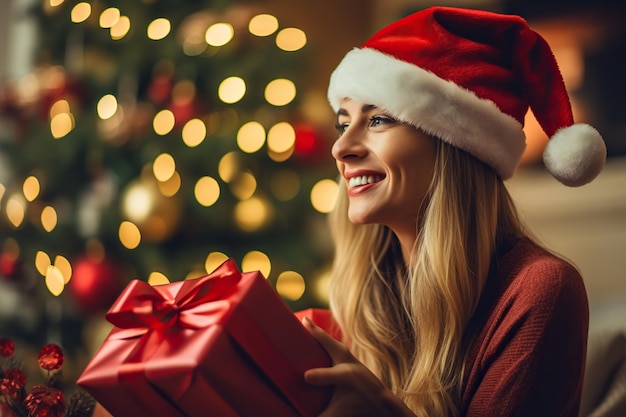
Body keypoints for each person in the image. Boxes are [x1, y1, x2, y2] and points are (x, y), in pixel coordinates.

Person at [300, 6, 607, 417]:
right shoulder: (368, 295)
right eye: (344, 123)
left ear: (454, 145)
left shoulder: (539, 289)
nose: (341, 148)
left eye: (379, 120)